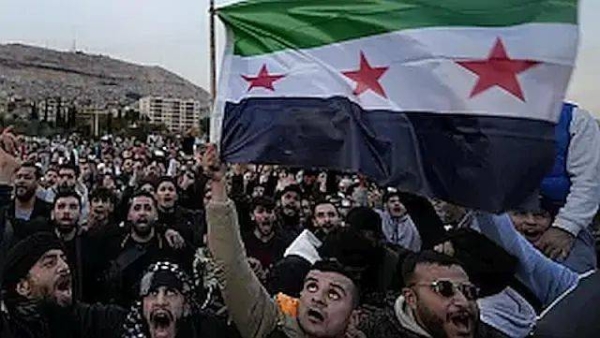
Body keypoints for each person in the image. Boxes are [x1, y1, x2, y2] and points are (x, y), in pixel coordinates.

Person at [204, 145, 363, 338]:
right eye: (311, 286)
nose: (318, 299)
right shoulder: (269, 325)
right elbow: (230, 266)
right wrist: (219, 183)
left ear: (354, 319)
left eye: (333, 294)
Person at [1, 232, 126, 338]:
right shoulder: (7, 327)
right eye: (50, 263)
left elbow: (120, 319)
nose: (65, 267)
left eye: (64, 260)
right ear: (23, 287)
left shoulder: (79, 317)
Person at [359, 250, 506, 338]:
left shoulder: (487, 334)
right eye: (444, 289)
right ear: (411, 298)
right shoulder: (371, 332)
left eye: (469, 291)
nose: (463, 302)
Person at [536, 103, 600, 264]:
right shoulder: (487, 118)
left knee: (574, 279)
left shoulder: (577, 119)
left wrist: (565, 228)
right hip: (505, 220)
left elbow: (588, 183)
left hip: (562, 219)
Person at [121, 261, 227, 338]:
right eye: (153, 294)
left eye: (170, 293)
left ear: (186, 306)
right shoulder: (123, 329)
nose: (160, 302)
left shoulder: (208, 331)